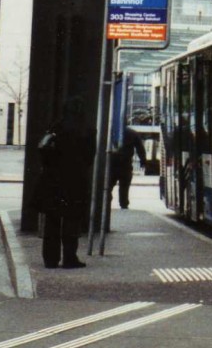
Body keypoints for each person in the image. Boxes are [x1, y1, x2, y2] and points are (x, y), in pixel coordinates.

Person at [36, 96, 96, 269]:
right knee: (72, 220)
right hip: (75, 181)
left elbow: (43, 152)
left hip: (53, 180)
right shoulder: (87, 131)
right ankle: (70, 258)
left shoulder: (55, 127)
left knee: (52, 220)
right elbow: (89, 157)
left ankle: (50, 259)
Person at [109, 124, 146, 210]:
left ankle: (107, 200)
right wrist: (143, 161)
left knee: (109, 185)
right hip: (126, 164)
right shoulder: (132, 133)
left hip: (112, 164)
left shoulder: (112, 132)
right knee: (124, 186)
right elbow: (140, 148)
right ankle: (124, 203)